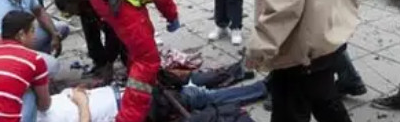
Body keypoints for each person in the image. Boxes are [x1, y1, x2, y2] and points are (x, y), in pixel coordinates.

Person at [38, 75, 267, 122]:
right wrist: (82, 101)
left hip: (123, 93)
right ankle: (261, 88)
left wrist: (81, 90)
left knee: (189, 87)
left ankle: (238, 74)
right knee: (196, 97)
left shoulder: (33, 107)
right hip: (129, 108)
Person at [55, 0, 126, 81]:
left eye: (71, 11)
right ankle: (100, 61)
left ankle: (126, 61)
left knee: (117, 31)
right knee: (89, 22)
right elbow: (90, 31)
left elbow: (112, 30)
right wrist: (99, 60)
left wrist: (110, 61)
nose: (73, 15)